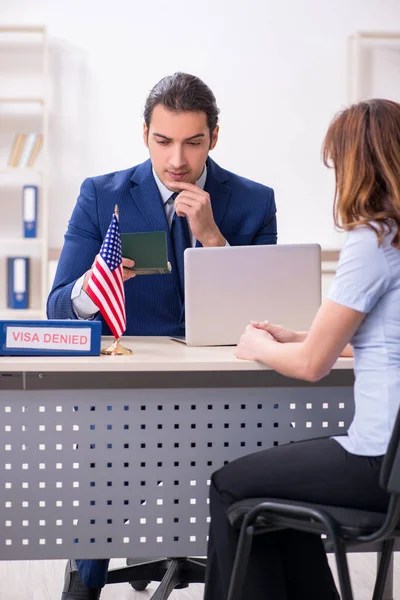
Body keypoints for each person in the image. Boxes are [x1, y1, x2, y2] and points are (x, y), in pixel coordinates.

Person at [47, 72, 277, 600]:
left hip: (227, 401)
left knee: (261, 482)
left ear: (214, 137)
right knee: (100, 492)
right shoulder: (100, 195)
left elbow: (270, 316)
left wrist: (215, 242)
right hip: (128, 397)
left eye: (193, 142)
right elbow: (58, 307)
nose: (178, 159)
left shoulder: (252, 202)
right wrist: (95, 284)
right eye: (163, 140)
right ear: (144, 134)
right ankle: (84, 587)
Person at [203, 98, 400, 600]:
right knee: (277, 491)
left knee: (231, 485)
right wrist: (297, 337)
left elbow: (313, 366)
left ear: (358, 164)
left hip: (381, 463)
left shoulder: (374, 239)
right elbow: (383, 346)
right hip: (390, 460)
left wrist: (258, 346)